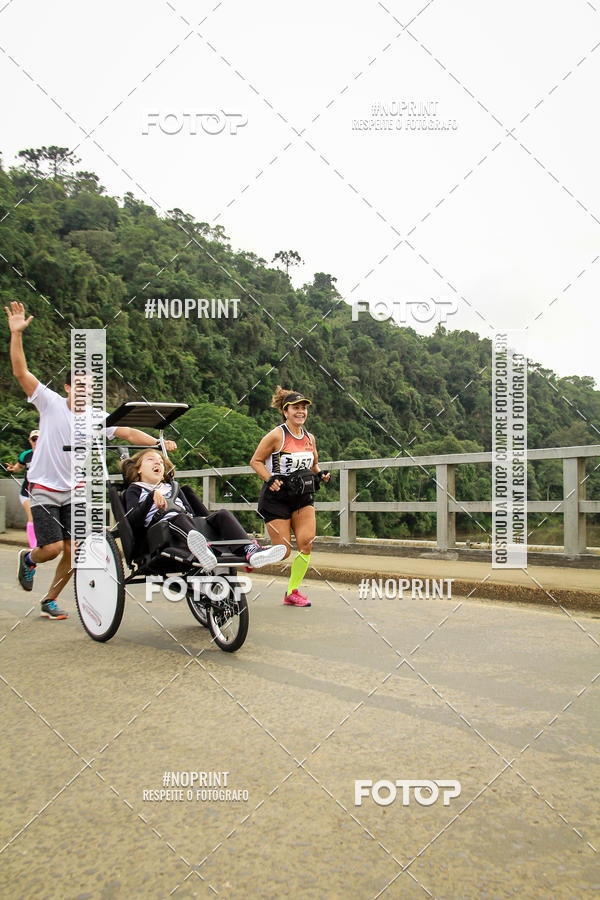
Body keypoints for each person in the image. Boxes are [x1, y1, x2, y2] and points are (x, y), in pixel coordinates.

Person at [5, 300, 177, 620]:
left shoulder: (98, 417)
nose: (85, 392)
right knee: (52, 548)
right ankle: (29, 559)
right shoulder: (50, 403)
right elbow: (20, 371)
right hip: (43, 486)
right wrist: (16, 334)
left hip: (75, 489)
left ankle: (50, 599)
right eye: (80, 386)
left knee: (74, 552)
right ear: (68, 387)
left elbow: (126, 432)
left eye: (91, 387)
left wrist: (157, 441)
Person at [121, 449, 286, 569]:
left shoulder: (172, 487)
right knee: (178, 518)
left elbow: (190, 512)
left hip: (185, 525)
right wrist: (151, 499)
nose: (157, 462)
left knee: (221, 514)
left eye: (160, 461)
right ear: (139, 469)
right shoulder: (136, 489)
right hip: (160, 530)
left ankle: (249, 549)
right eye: (150, 459)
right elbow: (132, 521)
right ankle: (204, 549)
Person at [250, 387, 330, 607]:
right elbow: (255, 461)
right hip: (277, 498)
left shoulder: (309, 438)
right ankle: (253, 552)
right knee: (283, 551)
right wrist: (268, 478)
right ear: (285, 411)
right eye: (296, 408)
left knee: (306, 543)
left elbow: (313, 465)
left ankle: (292, 592)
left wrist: (320, 473)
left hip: (303, 496)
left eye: (303, 408)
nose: (301, 411)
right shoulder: (277, 435)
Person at [6, 429, 39, 548]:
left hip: (44, 493)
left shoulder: (48, 454)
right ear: (30, 441)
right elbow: (18, 467)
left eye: (39, 439)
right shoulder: (26, 455)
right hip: (27, 492)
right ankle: (33, 547)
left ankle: (41, 542)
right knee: (32, 516)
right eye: (34, 439)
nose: (36, 441)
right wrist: (12, 469)